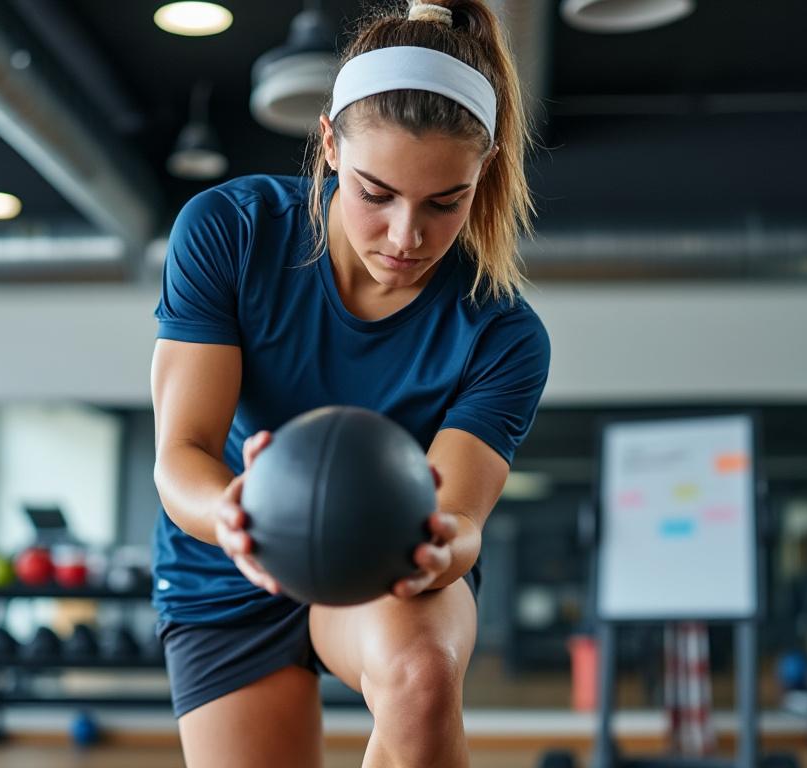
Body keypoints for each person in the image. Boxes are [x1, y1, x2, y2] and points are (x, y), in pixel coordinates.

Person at [150, 1, 550, 765]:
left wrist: (441, 548)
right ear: (329, 143)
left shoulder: (502, 333)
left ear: (484, 172)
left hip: (389, 562)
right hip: (228, 562)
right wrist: (231, 512)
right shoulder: (229, 232)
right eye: (376, 193)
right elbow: (184, 451)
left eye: (444, 203)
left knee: (422, 676)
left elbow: (459, 516)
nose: (408, 237)